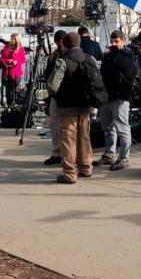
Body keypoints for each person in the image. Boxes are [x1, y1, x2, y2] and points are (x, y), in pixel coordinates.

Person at [47, 32, 96, 184]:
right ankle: (86, 167)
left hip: (67, 108)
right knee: (84, 137)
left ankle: (69, 173)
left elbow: (52, 86)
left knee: (68, 140)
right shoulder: (89, 59)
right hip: (86, 106)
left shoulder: (63, 61)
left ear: (65, 44)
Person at [95, 30, 138, 171]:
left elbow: (120, 64)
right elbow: (105, 70)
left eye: (116, 42)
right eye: (112, 41)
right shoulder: (108, 56)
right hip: (107, 95)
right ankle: (109, 154)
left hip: (121, 96)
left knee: (122, 127)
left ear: (122, 41)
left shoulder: (128, 55)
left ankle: (124, 157)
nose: (113, 44)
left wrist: (113, 51)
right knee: (108, 127)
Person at [43, 29, 67, 166]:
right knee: (54, 124)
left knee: (66, 127)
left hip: (66, 94)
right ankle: (56, 152)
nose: (60, 44)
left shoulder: (68, 54)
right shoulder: (54, 55)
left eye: (61, 42)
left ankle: (67, 154)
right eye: (58, 42)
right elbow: (48, 72)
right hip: (55, 94)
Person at [0, 33, 27, 106]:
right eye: (11, 38)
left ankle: (14, 105)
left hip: (15, 72)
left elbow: (23, 59)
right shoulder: (5, 47)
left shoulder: (21, 48)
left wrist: (16, 62)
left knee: (14, 90)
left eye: (13, 39)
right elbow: (1, 58)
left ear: (17, 40)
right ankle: (9, 106)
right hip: (6, 72)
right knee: (7, 91)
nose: (11, 40)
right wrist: (8, 61)